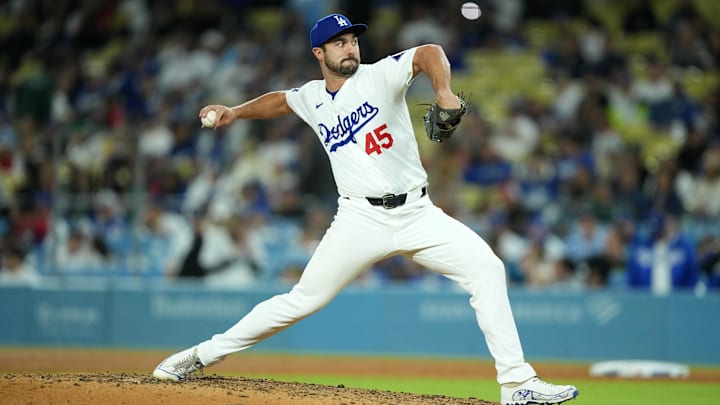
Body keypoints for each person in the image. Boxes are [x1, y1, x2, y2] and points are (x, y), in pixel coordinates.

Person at [152, 13, 578, 405]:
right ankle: (201, 355)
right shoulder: (313, 97)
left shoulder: (380, 77)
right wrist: (235, 112)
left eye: (352, 39)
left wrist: (443, 91)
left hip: (418, 213)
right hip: (359, 218)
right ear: (319, 53)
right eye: (339, 43)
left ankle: (517, 384)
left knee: (487, 269)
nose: (350, 47)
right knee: (301, 300)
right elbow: (282, 99)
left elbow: (429, 52)